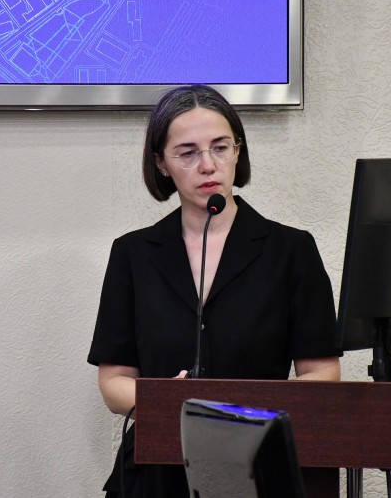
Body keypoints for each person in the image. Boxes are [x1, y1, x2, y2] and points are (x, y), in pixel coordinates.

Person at [87, 85, 341, 497]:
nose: (208, 165)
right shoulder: (133, 254)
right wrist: (169, 402)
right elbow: (114, 382)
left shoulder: (291, 250)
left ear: (238, 152)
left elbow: (323, 374)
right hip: (157, 468)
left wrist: (243, 410)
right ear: (161, 163)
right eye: (187, 153)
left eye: (220, 148)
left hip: (260, 465)